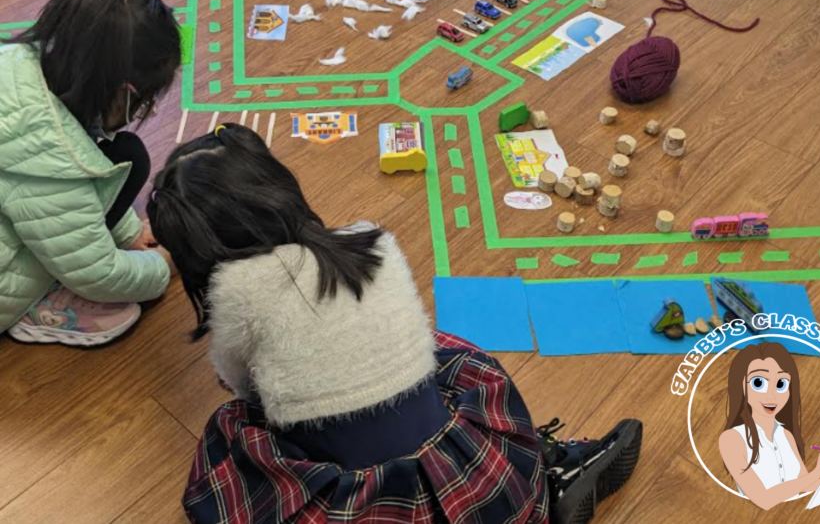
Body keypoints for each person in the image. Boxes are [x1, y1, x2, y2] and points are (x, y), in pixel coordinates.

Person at [147, 124, 643, 524]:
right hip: (474, 481)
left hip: (366, 507)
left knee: (235, 424)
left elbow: (237, 383)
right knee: (443, 352)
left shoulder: (235, 290)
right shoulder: (368, 241)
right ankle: (546, 470)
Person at [0, 0, 179, 346]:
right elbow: (97, 273)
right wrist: (162, 264)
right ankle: (36, 306)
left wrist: (130, 233)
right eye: (144, 101)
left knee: (123, 155)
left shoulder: (18, 62)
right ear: (123, 92)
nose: (143, 110)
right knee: (99, 281)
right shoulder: (51, 160)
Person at [718, 342, 820, 510]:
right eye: (758, 382)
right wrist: (817, 473)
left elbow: (800, 482)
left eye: (781, 384)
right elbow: (763, 499)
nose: (771, 395)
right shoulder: (731, 440)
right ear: (741, 385)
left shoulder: (786, 434)